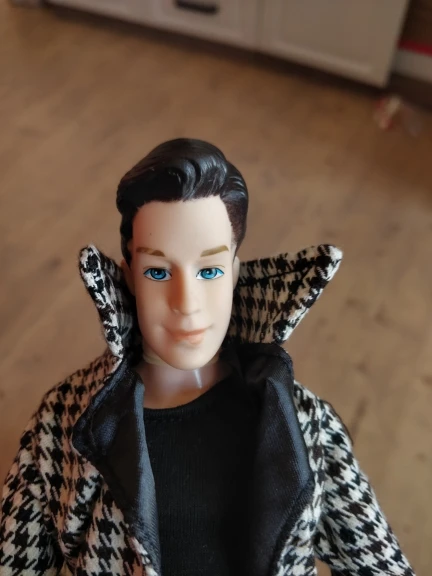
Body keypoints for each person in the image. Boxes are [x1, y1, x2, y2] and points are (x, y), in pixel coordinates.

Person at [0, 139, 415, 576]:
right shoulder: (63, 423)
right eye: (158, 272)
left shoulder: (305, 424)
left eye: (210, 270)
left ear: (235, 272)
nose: (187, 303)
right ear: (129, 278)